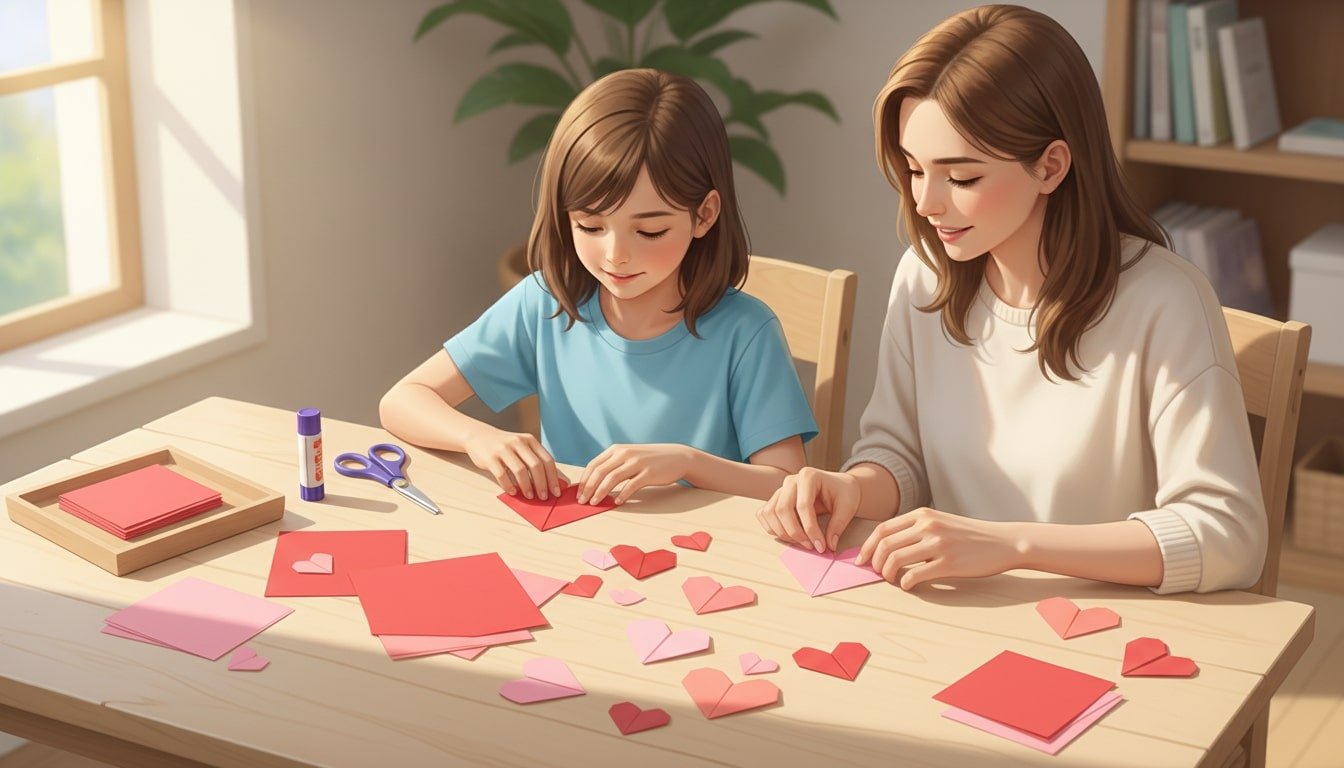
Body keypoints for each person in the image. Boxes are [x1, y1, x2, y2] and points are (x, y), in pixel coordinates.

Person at [756, 4, 1266, 595]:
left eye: (962, 177)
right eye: (914, 169)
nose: (926, 203)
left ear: (1050, 165)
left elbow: (1229, 535)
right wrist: (854, 487)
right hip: (956, 616)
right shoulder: (926, 276)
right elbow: (901, 454)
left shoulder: (1165, 303)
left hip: (1105, 635)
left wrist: (1011, 545)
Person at [381, 69, 817, 507]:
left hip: (704, 561)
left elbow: (788, 485)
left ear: (704, 215)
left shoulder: (747, 332)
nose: (615, 255)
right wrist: (478, 437)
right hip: (571, 553)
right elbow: (402, 400)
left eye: (649, 231)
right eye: (590, 225)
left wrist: (688, 463)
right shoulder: (547, 303)